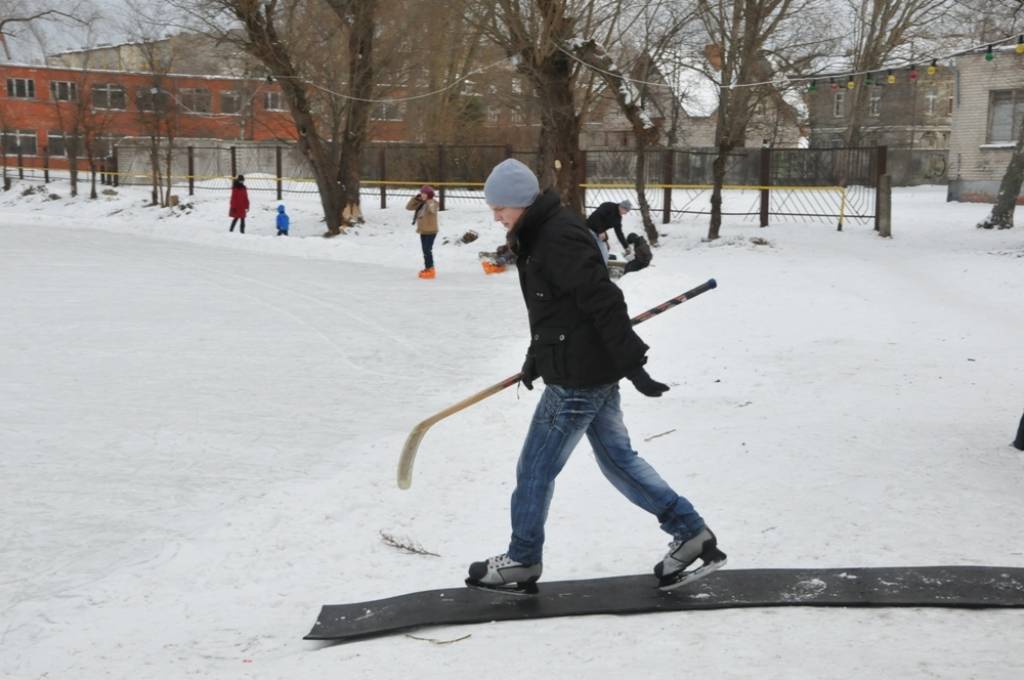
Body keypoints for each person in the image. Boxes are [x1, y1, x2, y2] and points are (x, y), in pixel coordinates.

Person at [467, 158, 725, 593]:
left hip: (578, 376)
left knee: (535, 468)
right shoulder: (539, 234)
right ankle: (691, 532)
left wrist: (634, 364)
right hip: (580, 365)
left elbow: (603, 301)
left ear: (521, 202)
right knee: (619, 462)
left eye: (500, 207)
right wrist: (536, 356)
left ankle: (523, 559)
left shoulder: (557, 237)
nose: (496, 216)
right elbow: (555, 311)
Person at [406, 185, 439, 279]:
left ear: (429, 194)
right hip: (423, 231)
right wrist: (416, 199)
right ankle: (428, 267)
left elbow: (432, 210)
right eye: (421, 193)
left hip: (431, 231)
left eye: (424, 193)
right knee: (425, 251)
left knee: (427, 250)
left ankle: (431, 268)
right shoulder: (420, 203)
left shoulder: (433, 202)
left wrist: (429, 200)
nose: (422, 195)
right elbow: (408, 207)